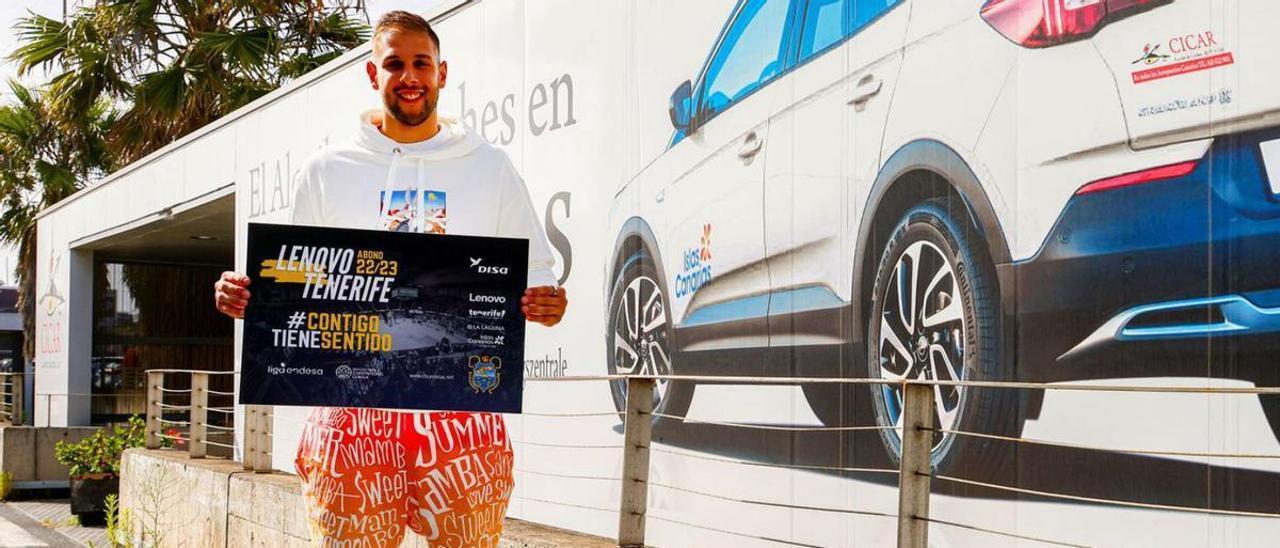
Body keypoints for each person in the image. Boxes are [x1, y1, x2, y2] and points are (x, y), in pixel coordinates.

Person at [212, 11, 568, 547]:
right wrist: (248, 297)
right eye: (394, 64)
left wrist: (548, 305)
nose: (409, 77)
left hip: (462, 414)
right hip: (352, 414)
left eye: (420, 63)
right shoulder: (327, 169)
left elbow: (537, 278)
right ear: (372, 75)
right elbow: (292, 285)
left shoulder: (490, 168)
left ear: (442, 74)